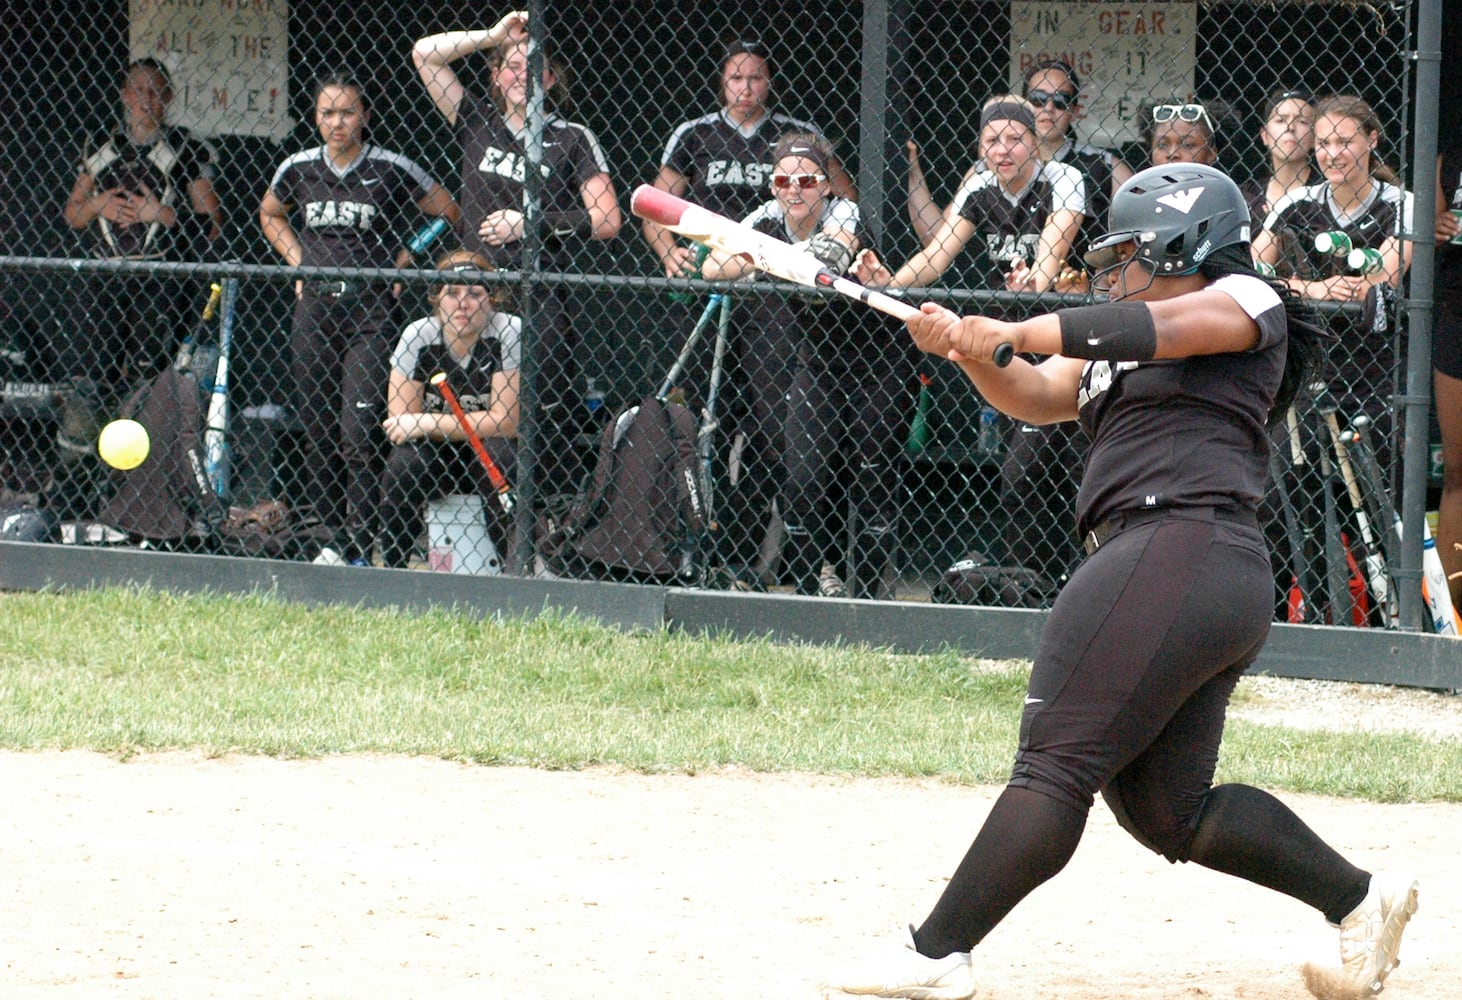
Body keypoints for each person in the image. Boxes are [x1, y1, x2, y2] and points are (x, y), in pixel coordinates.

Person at [835, 164, 1417, 1000]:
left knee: (1053, 765)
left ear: (1181, 244)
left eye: (1128, 255)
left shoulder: (1243, 297)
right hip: (1188, 565)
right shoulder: (1118, 339)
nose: (1113, 272)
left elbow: (1152, 329)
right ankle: (1362, 900)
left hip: (1175, 544)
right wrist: (971, 350)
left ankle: (934, 953)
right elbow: (1036, 396)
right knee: (1165, 811)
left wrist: (1023, 325)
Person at [643, 39, 855, 591]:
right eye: (735, 79)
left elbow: (846, 199)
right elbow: (657, 209)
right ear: (721, 83)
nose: (745, 89)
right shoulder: (693, 134)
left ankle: (806, 562)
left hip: (779, 297)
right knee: (719, 424)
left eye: (755, 79)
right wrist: (674, 260)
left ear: (769, 82)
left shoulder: (797, 137)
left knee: (781, 429)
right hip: (717, 289)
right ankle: (722, 556)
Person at [412, 12, 621, 498]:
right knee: (470, 404)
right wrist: (492, 37)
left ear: (551, 78)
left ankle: (541, 530)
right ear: (495, 75)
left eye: (535, 67)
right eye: (511, 65)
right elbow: (425, 53)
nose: (522, 75)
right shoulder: (477, 121)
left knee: (537, 416)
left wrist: (530, 222)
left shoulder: (570, 136)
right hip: (474, 297)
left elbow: (607, 219)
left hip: (536, 296)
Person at [700, 134, 915, 598]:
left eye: (807, 180)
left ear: (825, 184)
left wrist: (760, 257)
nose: (794, 189)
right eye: (783, 179)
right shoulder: (767, 217)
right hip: (818, 358)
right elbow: (712, 268)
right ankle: (811, 580)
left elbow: (830, 257)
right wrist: (763, 254)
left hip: (876, 356)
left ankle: (871, 591)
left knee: (871, 471)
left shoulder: (845, 211)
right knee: (802, 473)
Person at [258, 71, 459, 565]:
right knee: (319, 428)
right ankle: (329, 537)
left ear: (364, 115)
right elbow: (270, 213)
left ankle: (360, 541)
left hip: (371, 310)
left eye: (347, 112)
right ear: (315, 117)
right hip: (315, 309)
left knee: (359, 431)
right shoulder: (299, 167)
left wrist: (406, 257)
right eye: (327, 113)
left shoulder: (391, 166)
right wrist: (299, 261)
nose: (337, 122)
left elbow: (448, 211)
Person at [58, 59, 221, 455]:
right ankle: (79, 479)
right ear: (124, 94)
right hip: (104, 279)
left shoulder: (185, 147)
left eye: (155, 91)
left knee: (151, 375)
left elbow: (213, 222)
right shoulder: (99, 146)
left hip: (158, 281)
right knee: (93, 379)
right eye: (138, 90)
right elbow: (72, 215)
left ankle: (147, 480)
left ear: (168, 98)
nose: (146, 100)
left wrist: (161, 214)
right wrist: (99, 204)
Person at [378, 251, 519, 570]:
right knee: (404, 464)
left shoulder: (508, 331)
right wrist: (427, 426)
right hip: (437, 455)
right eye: (452, 293)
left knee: (502, 454)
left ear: (492, 298)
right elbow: (398, 423)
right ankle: (394, 568)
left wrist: (426, 421)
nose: (463, 303)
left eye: (474, 292)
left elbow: (506, 423)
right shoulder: (419, 334)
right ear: (437, 299)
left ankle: (514, 571)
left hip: (485, 453)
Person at [872, 98, 1084, 295]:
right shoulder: (979, 184)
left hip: (1056, 309)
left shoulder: (1063, 177)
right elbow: (935, 256)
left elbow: (1052, 253)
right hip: (1000, 308)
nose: (1003, 150)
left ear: (1034, 145)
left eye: (1015, 139)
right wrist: (888, 286)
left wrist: (1032, 289)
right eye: (992, 141)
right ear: (981, 149)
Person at [1432, 135, 1462, 608]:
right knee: (1459, 472)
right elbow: (1417, 233)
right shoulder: (1450, 161)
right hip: (1458, 313)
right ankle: (1453, 614)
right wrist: (1433, 227)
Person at [1242, 88, 1317, 223]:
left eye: (1302, 121)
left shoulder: (1325, 194)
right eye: (1280, 120)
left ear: (1315, 138)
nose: (1290, 127)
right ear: (1264, 136)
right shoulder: (1246, 196)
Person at [1140, 96, 1238, 168]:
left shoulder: (1224, 194)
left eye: (1187, 145)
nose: (1172, 153)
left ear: (1211, 153)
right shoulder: (1138, 195)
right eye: (1162, 145)